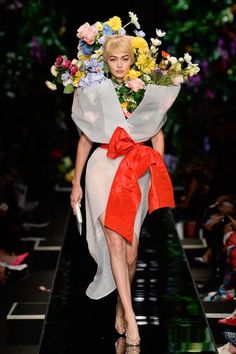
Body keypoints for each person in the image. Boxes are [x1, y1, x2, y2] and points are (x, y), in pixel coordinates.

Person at [70, 34, 180, 347]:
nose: (119, 66)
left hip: (135, 168)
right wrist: (76, 182)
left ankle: (121, 302)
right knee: (114, 239)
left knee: (131, 251)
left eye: (125, 59)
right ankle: (132, 318)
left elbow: (156, 133)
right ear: (106, 61)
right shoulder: (95, 91)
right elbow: (85, 139)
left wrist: (156, 167)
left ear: (133, 60)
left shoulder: (146, 89)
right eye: (113, 60)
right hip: (102, 165)